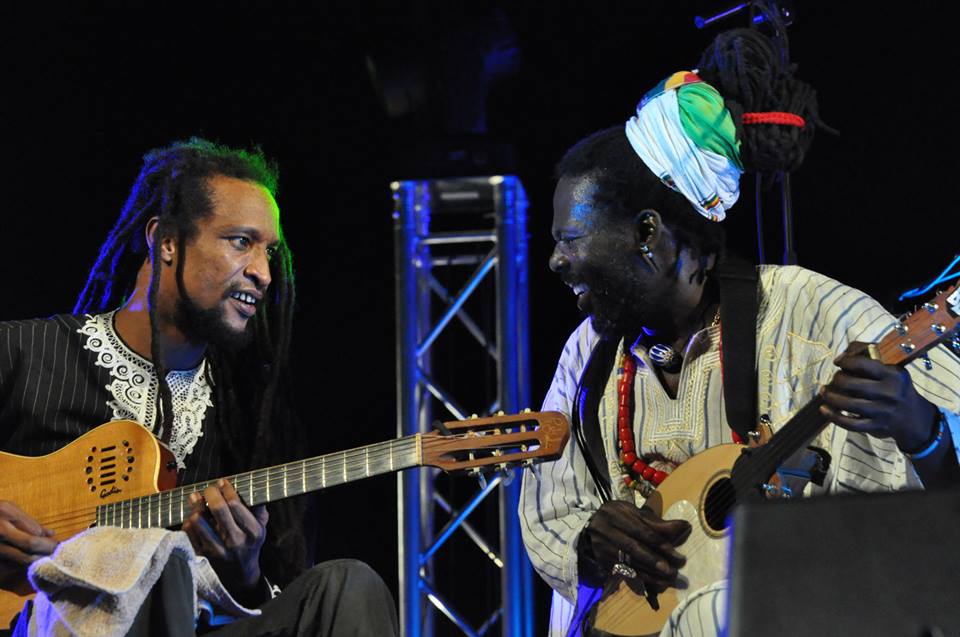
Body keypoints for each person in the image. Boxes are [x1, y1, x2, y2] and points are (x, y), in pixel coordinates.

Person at [519, 28, 960, 636]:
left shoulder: (815, 319)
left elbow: (929, 529)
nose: (556, 261)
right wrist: (593, 543)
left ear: (648, 234)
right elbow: (550, 511)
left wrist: (925, 433)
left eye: (570, 240)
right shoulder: (589, 354)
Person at [0, 139, 399, 635]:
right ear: (166, 241)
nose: (263, 272)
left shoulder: (250, 421)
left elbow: (272, 600)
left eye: (269, 251)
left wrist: (244, 574)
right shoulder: (23, 352)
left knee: (346, 586)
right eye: (241, 242)